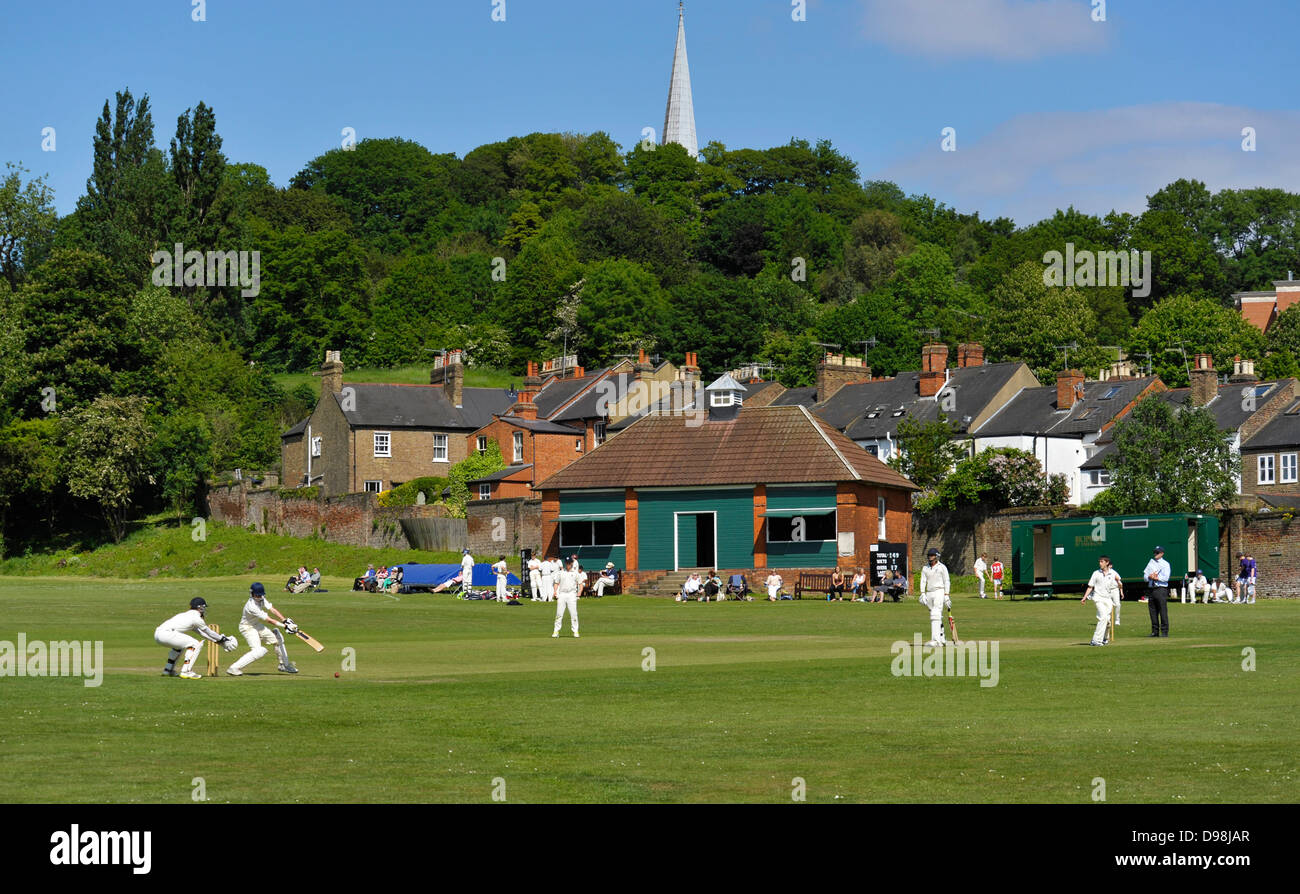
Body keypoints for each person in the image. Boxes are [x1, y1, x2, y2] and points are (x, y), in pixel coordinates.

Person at [154, 597, 238, 678]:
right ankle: (186, 671)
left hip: (158, 634)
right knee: (195, 644)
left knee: (180, 646)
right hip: (167, 634)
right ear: (201, 607)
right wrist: (223, 639)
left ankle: (168, 670)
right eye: (204, 607)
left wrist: (218, 642)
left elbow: (202, 633)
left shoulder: (186, 615)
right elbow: (208, 632)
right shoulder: (196, 618)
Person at [227, 582, 299, 675]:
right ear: (252, 594)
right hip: (247, 627)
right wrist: (285, 626)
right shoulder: (251, 606)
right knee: (259, 651)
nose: (259, 597)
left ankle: (284, 665)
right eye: (257, 595)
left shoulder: (262, 598)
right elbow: (269, 620)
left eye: (260, 595)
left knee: (277, 640)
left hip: (256, 624)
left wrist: (285, 620)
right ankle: (233, 668)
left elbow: (272, 609)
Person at [1081, 555, 1122, 646]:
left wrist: (1118, 582)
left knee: (1107, 621)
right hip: (1098, 598)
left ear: (1107, 563)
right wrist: (1084, 597)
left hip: (1108, 600)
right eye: (1099, 562)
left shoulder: (1113, 573)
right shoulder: (1096, 573)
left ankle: (1104, 638)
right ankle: (1096, 640)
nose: (1100, 563)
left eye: (1102, 562)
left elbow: (1119, 586)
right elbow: (1090, 586)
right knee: (1103, 617)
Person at [919, 548, 951, 645]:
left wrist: (946, 595)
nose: (930, 557)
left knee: (935, 614)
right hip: (929, 592)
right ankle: (942, 637)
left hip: (939, 591)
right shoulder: (925, 568)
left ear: (937, 556)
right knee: (935, 616)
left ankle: (935, 640)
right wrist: (922, 593)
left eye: (932, 555)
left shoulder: (942, 567)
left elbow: (947, 581)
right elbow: (923, 581)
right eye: (929, 555)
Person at [1143, 545, 1172, 637]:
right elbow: (1144, 577)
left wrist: (1157, 578)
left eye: (1157, 552)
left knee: (1162, 610)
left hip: (1161, 589)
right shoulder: (1151, 563)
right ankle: (1155, 631)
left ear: (1162, 554)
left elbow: (1166, 578)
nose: (1155, 554)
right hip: (1151, 589)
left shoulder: (1165, 564)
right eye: (1154, 552)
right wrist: (1149, 577)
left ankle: (1164, 631)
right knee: (1153, 611)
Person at [552, 556, 583, 638]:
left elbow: (580, 583)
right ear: (565, 563)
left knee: (573, 614)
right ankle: (556, 631)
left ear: (572, 563)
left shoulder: (575, 573)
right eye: (567, 563)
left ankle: (575, 631)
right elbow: (556, 583)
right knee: (559, 613)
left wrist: (579, 592)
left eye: (569, 563)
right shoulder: (561, 572)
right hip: (562, 594)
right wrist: (555, 591)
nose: (568, 565)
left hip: (572, 594)